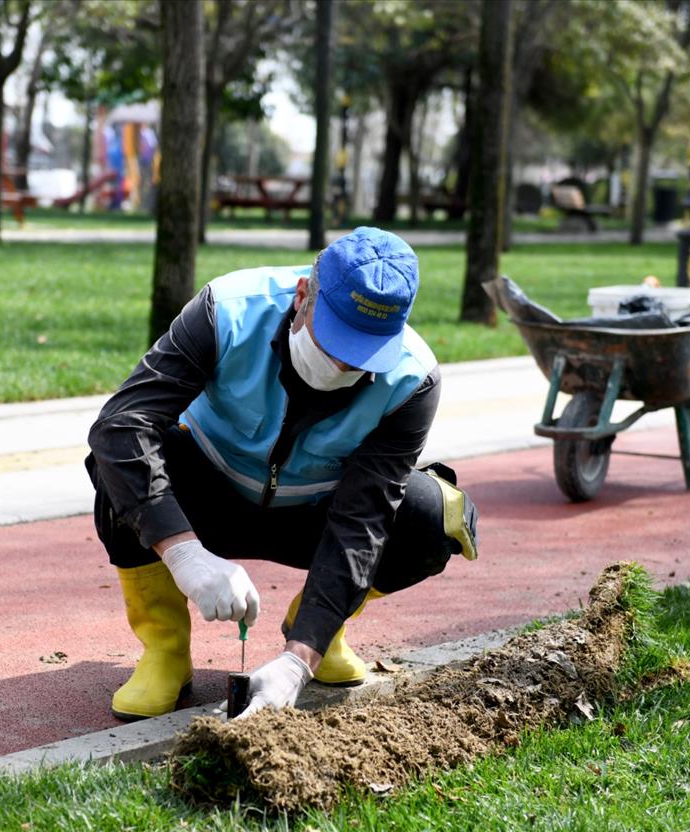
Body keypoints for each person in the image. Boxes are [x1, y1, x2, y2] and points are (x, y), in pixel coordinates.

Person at [86, 227, 479, 720]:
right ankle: (166, 651)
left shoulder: (412, 380)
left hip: (316, 516)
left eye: (363, 353)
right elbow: (121, 425)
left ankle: (319, 628)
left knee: (431, 516)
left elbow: (364, 520)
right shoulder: (226, 310)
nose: (342, 364)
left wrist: (300, 659)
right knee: (122, 463)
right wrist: (187, 557)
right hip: (208, 496)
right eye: (335, 340)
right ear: (302, 296)